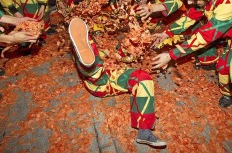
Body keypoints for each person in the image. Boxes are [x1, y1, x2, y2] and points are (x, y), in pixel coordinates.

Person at [68, 17, 166, 147]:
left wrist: (122, 49)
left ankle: (89, 65)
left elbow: (114, 55)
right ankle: (89, 66)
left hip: (108, 71)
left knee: (142, 77)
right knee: (99, 76)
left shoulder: (102, 42)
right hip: (101, 84)